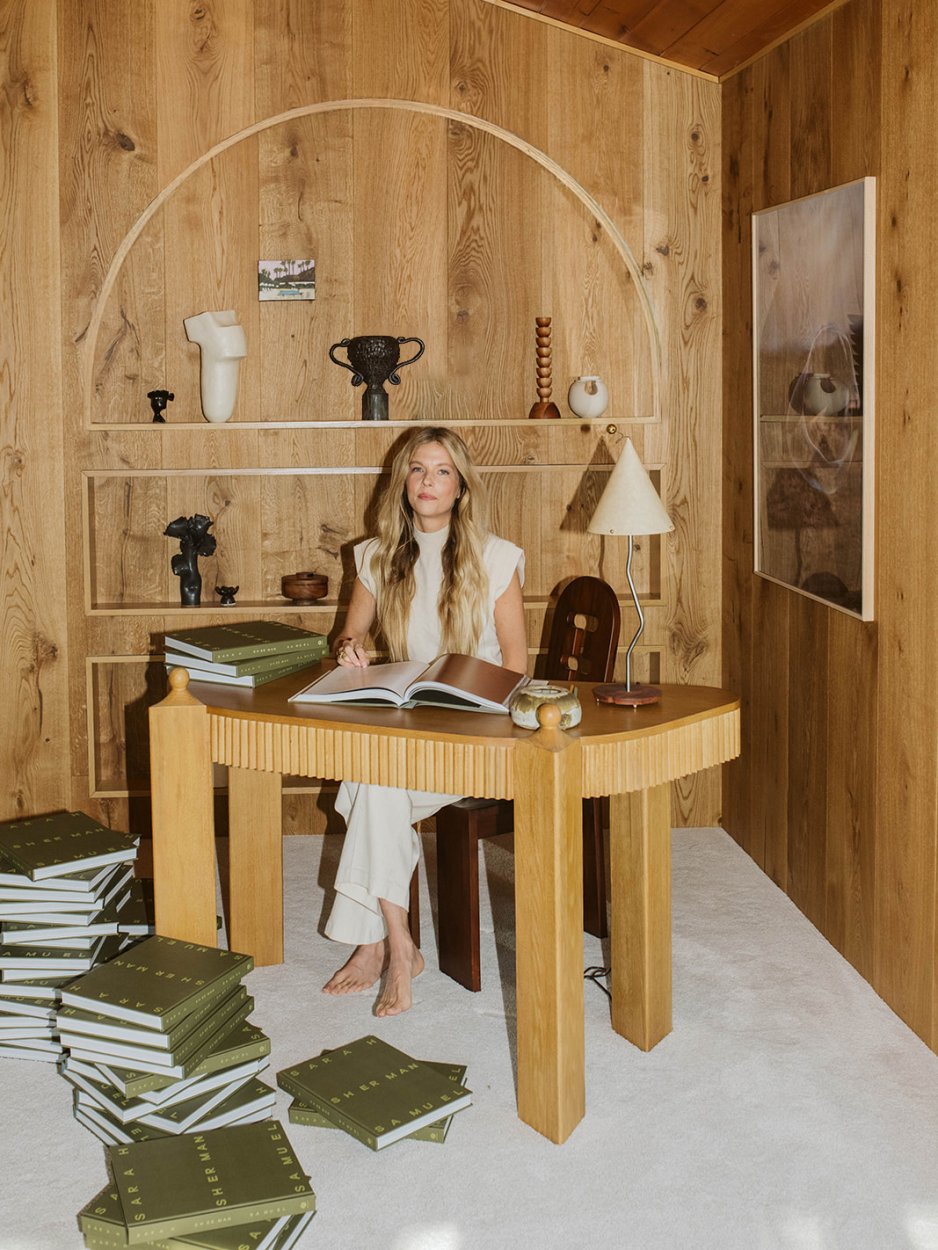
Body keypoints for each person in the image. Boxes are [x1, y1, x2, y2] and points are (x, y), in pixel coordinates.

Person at [322, 427, 527, 1017]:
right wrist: (348, 652)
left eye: (441, 471)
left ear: (461, 485)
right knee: (377, 778)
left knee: (369, 781)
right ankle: (399, 943)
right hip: (409, 720)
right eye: (417, 470)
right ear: (403, 482)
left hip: (478, 729)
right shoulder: (377, 554)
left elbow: (516, 664)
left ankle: (376, 945)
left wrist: (473, 699)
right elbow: (349, 633)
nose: (428, 482)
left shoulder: (496, 556)